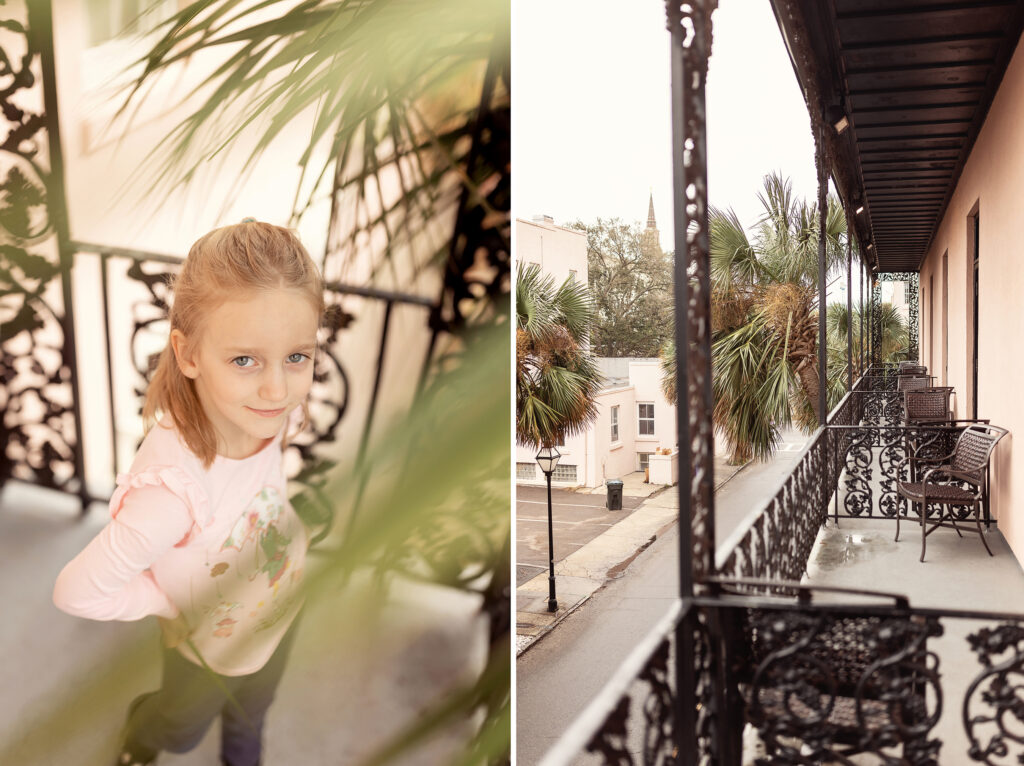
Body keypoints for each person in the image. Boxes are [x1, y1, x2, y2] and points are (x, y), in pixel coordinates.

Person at [53, 221, 323, 766]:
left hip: (276, 616)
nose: (278, 389)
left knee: (253, 715)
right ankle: (142, 738)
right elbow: (77, 592)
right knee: (179, 729)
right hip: (206, 652)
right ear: (189, 353)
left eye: (297, 356)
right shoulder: (173, 494)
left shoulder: (256, 416)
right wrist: (165, 604)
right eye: (245, 359)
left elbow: (255, 493)